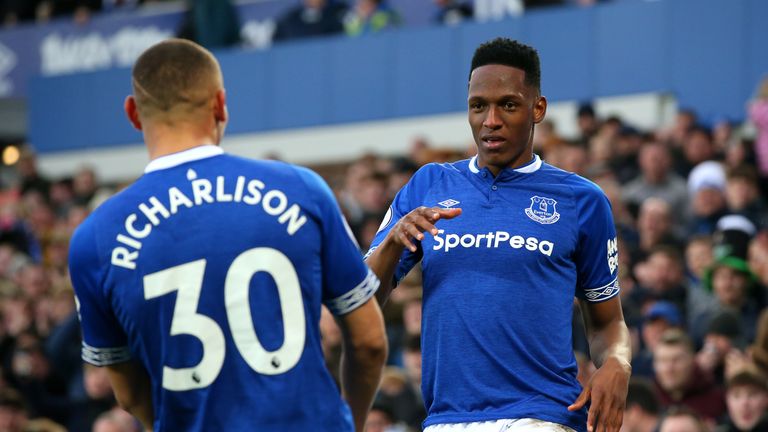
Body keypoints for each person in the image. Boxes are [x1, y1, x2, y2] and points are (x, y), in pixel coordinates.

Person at [68, 39, 387, 432]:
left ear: (133, 113)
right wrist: (348, 422)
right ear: (220, 104)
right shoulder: (300, 188)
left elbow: (128, 393)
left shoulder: (93, 240)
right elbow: (369, 342)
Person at [365, 38, 631, 432]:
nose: (491, 120)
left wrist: (617, 363)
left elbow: (607, 322)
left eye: (508, 104)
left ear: (537, 108)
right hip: (444, 420)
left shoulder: (582, 201)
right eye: (478, 106)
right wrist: (391, 242)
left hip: (542, 417)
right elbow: (363, 300)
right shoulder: (429, 184)